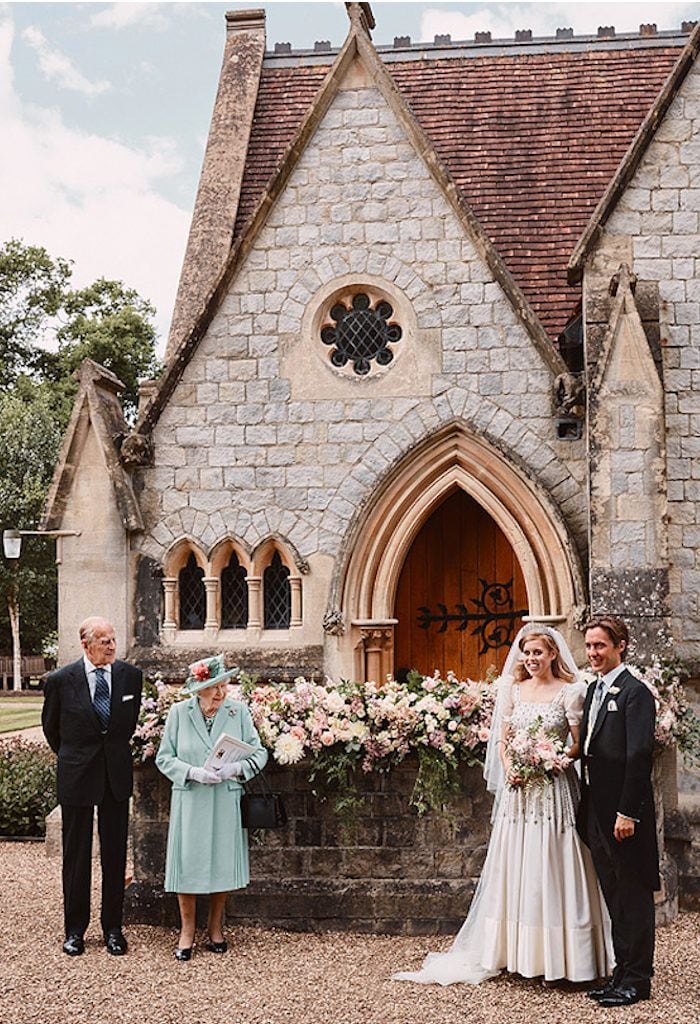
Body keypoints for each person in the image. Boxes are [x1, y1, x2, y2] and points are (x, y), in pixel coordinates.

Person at [393, 624, 612, 986]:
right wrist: (512, 768)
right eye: (527, 652)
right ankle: (516, 952)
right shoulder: (512, 689)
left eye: (538, 652)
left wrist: (552, 759)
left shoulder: (571, 691)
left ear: (553, 654)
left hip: (553, 789)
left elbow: (577, 744)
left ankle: (566, 957)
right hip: (519, 793)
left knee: (555, 862)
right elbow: (502, 740)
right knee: (518, 862)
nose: (531, 659)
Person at [155, 654, 268, 960]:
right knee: (187, 863)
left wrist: (235, 769)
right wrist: (192, 772)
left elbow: (259, 755)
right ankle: (187, 931)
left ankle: (215, 928)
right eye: (214, 686)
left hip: (224, 796)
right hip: (190, 797)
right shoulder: (179, 713)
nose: (221, 693)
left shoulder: (238, 712)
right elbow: (164, 758)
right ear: (198, 689)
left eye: (224, 685)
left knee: (221, 862)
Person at [41, 616, 143, 956]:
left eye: (113, 639)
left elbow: (126, 728)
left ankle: (113, 928)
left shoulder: (131, 677)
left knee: (114, 856)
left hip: (115, 776)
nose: (112, 646)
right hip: (77, 774)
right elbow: (52, 730)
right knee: (76, 855)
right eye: (104, 641)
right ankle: (75, 930)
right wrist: (77, 758)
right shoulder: (59, 681)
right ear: (86, 645)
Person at [577, 615, 660, 1007]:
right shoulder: (594, 690)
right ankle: (620, 973)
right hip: (597, 810)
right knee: (613, 894)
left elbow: (639, 755)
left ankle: (638, 980)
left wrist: (628, 812)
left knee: (633, 894)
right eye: (589, 646)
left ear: (620, 646)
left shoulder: (635, 693)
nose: (593, 653)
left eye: (600, 646)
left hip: (625, 817)